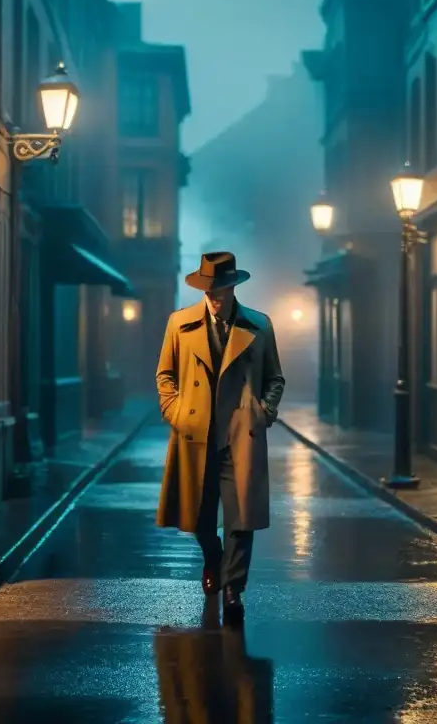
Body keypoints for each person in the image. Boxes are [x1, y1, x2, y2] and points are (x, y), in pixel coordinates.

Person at [155, 251, 285, 624]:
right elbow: (165, 376)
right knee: (199, 516)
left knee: (241, 516)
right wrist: (176, 413)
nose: (215, 296)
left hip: (240, 432)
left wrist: (263, 411)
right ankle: (213, 557)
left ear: (232, 288)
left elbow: (275, 377)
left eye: (222, 288)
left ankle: (233, 588)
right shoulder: (179, 324)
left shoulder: (259, 325)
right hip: (196, 433)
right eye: (209, 289)